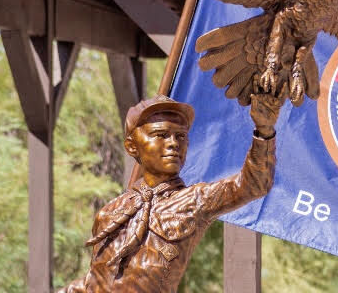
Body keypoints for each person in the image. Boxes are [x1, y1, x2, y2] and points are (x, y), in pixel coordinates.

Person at [60, 90, 283, 292]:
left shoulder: (195, 200)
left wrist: (264, 132)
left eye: (181, 136)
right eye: (161, 135)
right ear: (132, 146)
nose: (173, 143)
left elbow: (252, 184)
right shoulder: (109, 214)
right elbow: (95, 280)